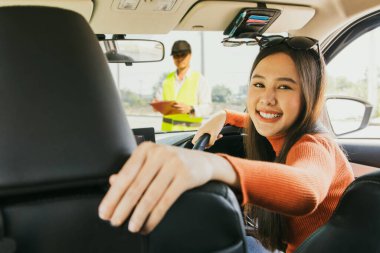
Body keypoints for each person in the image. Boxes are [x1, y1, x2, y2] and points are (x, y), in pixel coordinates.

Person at [98, 35, 354, 253]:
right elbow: (254, 119)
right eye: (258, 84)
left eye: (285, 87)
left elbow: (305, 189)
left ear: (309, 96)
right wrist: (223, 115)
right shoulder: (283, 134)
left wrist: (211, 165)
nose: (267, 98)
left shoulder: (314, 144)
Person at [153, 40, 212, 131]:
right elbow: (158, 102)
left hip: (189, 137)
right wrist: (156, 105)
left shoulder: (199, 80)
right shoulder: (166, 80)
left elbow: (207, 107)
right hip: (168, 135)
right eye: (176, 56)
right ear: (173, 58)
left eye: (183, 55)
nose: (179, 58)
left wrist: (190, 109)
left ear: (190, 55)